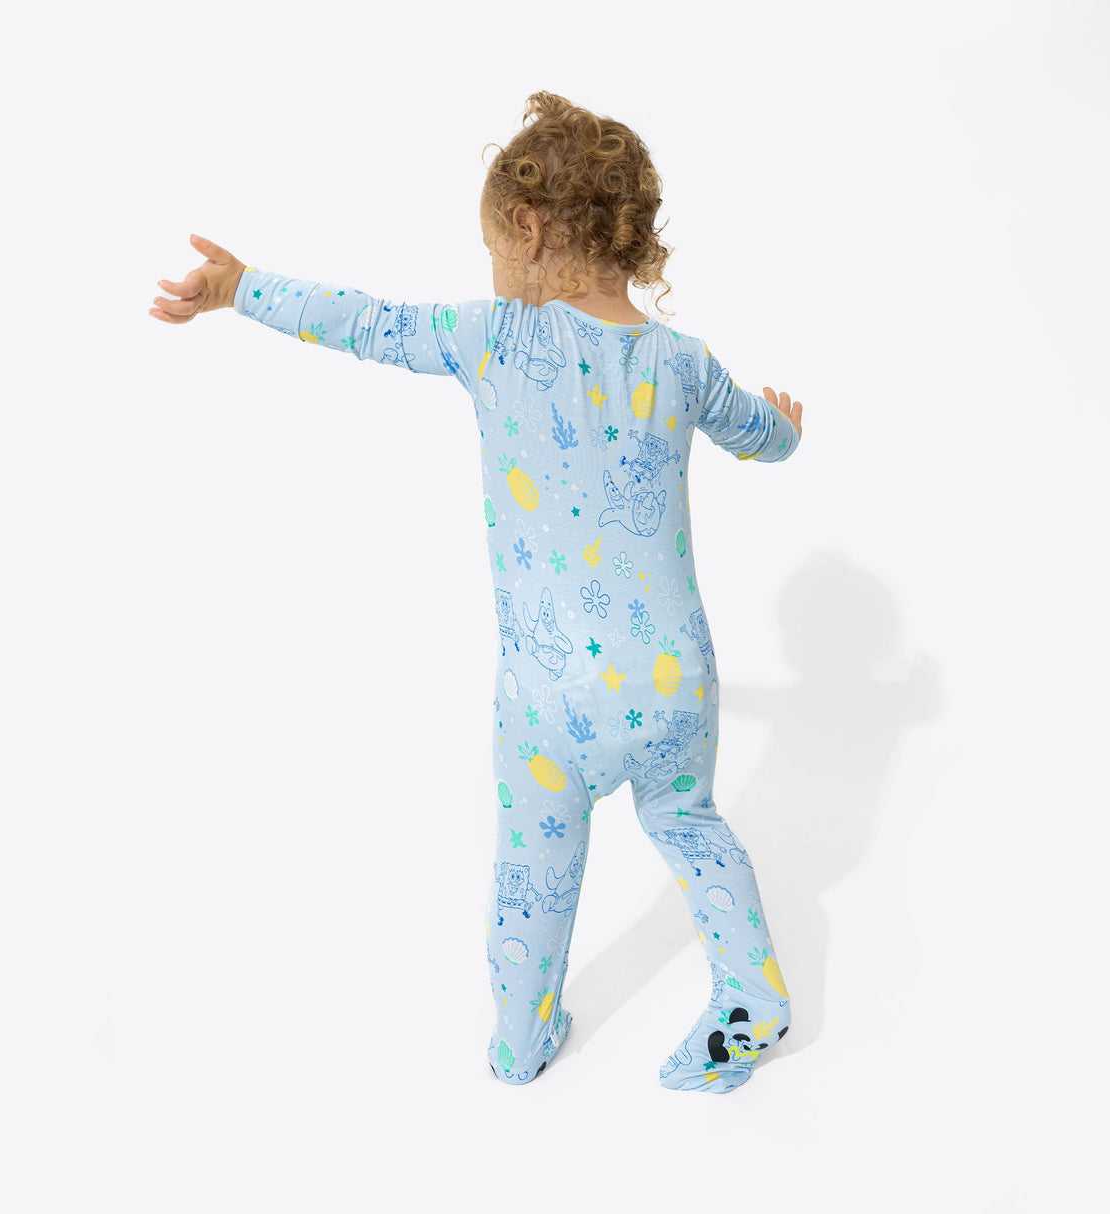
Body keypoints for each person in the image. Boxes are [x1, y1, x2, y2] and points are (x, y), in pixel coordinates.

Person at [149, 91, 804, 1093]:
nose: (491, 267)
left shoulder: (494, 336)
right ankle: (750, 995)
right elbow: (763, 437)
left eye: (491, 245)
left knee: (532, 869)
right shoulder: (683, 362)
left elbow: (364, 322)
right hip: (676, 680)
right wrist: (786, 426)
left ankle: (520, 1039)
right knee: (690, 824)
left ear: (527, 229)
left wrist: (242, 288)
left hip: (548, 698)